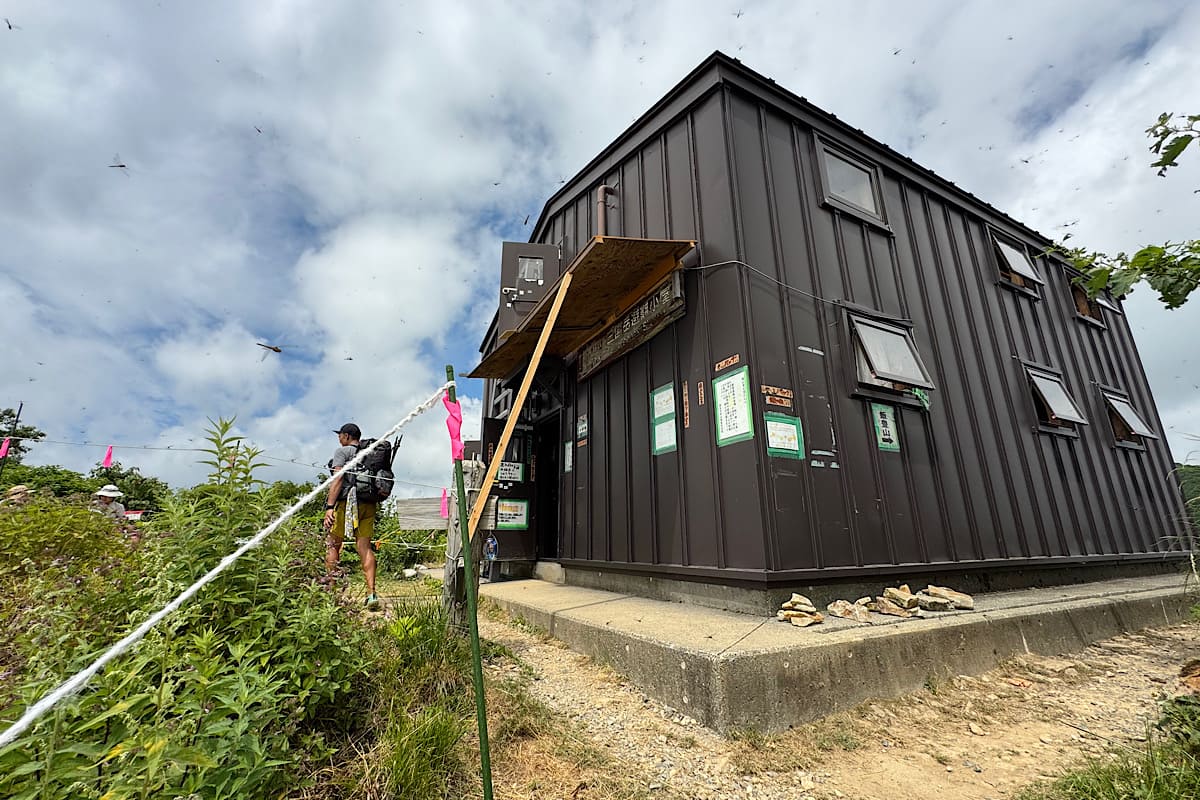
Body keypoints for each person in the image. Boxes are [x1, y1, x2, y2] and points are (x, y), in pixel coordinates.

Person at [323, 423, 379, 609]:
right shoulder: (370, 452)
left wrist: (330, 507)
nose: (339, 439)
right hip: (368, 504)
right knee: (364, 548)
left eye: (340, 435)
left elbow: (337, 479)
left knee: (333, 544)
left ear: (347, 436)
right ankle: (371, 594)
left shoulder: (342, 452)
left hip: (347, 504)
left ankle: (331, 592)